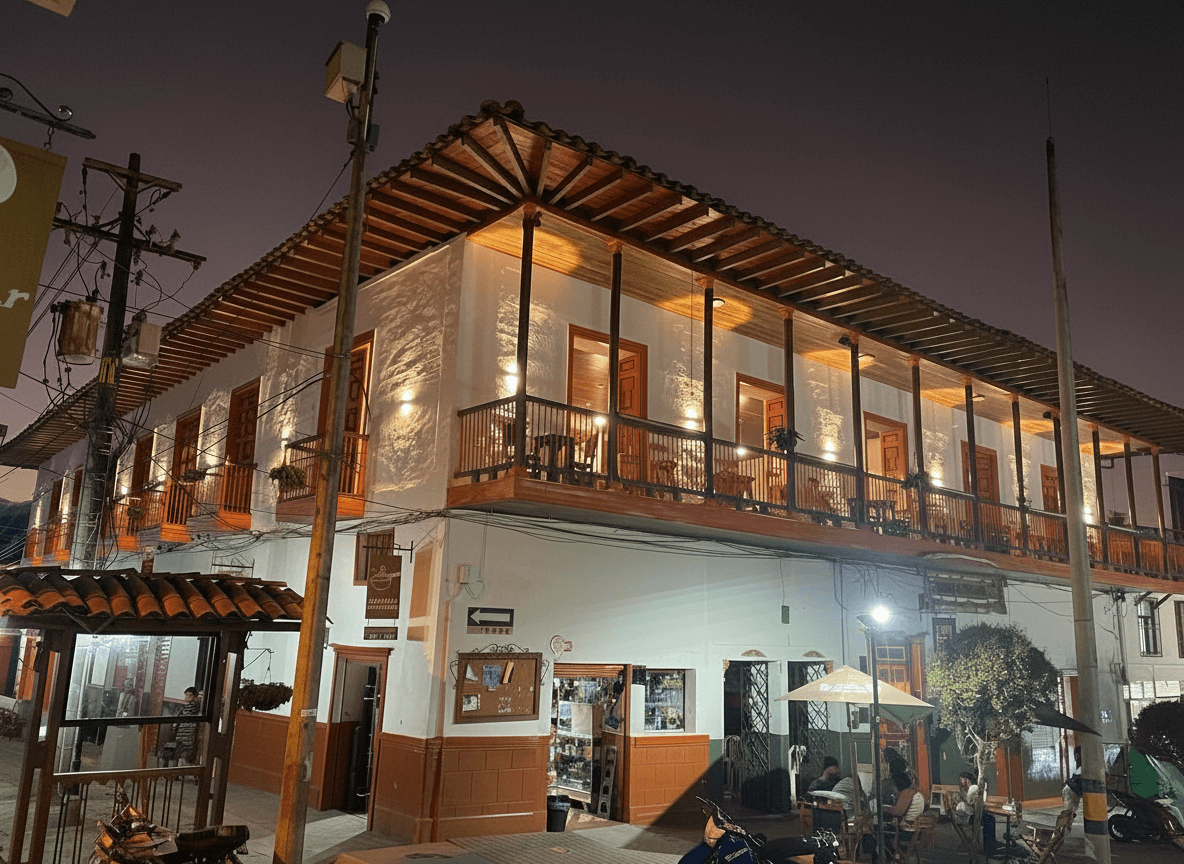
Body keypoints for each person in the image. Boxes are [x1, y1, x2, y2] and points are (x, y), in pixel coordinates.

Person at [174, 687, 201, 765]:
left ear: (195, 697)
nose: (187, 697)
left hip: (186, 734)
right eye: (186, 695)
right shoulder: (191, 708)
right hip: (186, 734)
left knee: (183, 755)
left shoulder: (191, 708)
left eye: (190, 695)